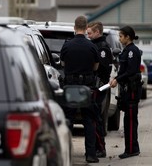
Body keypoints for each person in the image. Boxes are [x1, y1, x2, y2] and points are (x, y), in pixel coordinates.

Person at [60, 15, 100, 163]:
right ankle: (90, 154)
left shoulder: (67, 45)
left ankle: (66, 154)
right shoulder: (92, 46)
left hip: (70, 87)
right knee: (88, 120)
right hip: (86, 88)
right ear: (86, 27)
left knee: (68, 120)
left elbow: (63, 64)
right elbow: (96, 66)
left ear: (74, 27)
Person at [109, 25, 142, 159]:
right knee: (128, 119)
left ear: (128, 37)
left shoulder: (132, 51)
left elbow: (131, 71)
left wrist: (117, 79)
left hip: (132, 89)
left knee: (130, 120)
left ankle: (131, 149)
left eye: (121, 36)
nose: (119, 39)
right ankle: (132, 148)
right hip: (127, 89)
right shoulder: (126, 50)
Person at [87, 21, 113, 158]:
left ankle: (101, 148)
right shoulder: (95, 45)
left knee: (96, 118)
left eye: (90, 33)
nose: (88, 35)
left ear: (97, 32)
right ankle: (98, 147)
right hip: (96, 86)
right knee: (94, 117)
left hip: (99, 86)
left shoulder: (102, 48)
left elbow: (102, 69)